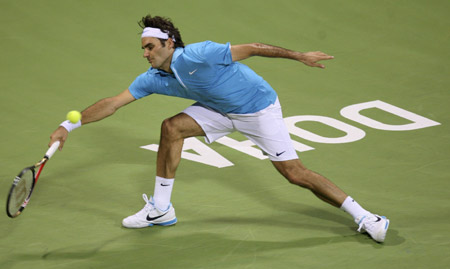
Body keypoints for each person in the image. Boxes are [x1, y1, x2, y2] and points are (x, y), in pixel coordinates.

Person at [49, 15, 389, 242]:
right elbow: (113, 102)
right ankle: (161, 209)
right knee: (172, 128)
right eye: (143, 49)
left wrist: (299, 55)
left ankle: (367, 217)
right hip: (219, 109)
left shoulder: (200, 55)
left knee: (294, 173)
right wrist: (69, 125)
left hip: (257, 109)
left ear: (169, 42)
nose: (145, 54)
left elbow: (254, 48)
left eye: (150, 47)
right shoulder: (153, 79)